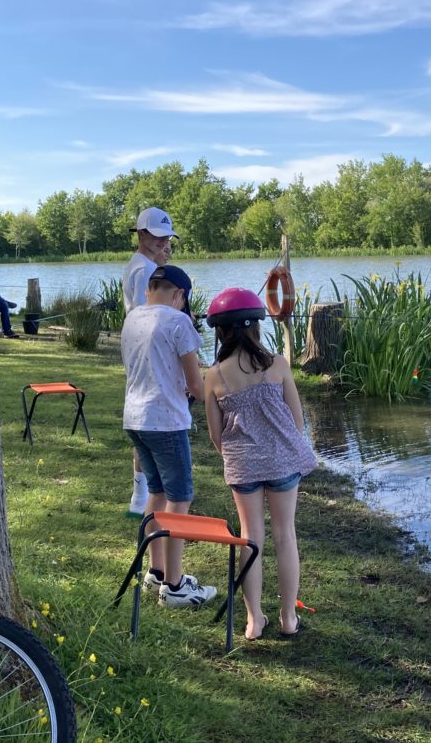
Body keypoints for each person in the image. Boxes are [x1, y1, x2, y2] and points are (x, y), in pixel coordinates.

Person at [203, 288, 317, 640]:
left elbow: (214, 434)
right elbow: (297, 422)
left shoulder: (215, 375)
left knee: (250, 538)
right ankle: (288, 618)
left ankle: (254, 622)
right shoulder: (278, 365)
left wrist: (237, 456)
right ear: (256, 328)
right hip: (283, 461)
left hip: (242, 465)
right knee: (286, 535)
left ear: (221, 332)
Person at [121, 264, 216, 608]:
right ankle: (175, 586)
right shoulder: (179, 322)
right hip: (166, 422)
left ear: (150, 289)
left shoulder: (131, 319)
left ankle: (155, 571)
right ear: (180, 295)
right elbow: (196, 385)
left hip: (134, 418)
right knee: (180, 497)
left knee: (156, 492)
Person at [121, 207, 178, 515]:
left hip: (138, 345)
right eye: (156, 236)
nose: (163, 242)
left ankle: (141, 493)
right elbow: (151, 314)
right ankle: (147, 493)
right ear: (141, 234)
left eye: (166, 237)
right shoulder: (144, 269)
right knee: (152, 417)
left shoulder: (141, 264)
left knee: (143, 416)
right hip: (148, 349)